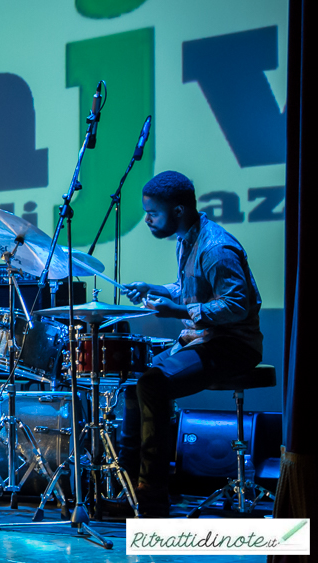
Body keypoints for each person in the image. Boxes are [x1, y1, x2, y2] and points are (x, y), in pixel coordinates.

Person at [120, 170, 263, 517]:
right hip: (205, 339)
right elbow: (191, 286)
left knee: (152, 384)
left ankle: (151, 496)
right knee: (132, 387)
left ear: (179, 210)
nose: (149, 220)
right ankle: (124, 485)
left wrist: (179, 310)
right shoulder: (187, 239)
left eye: (154, 213)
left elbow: (237, 304)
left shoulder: (216, 247)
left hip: (234, 344)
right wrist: (156, 289)